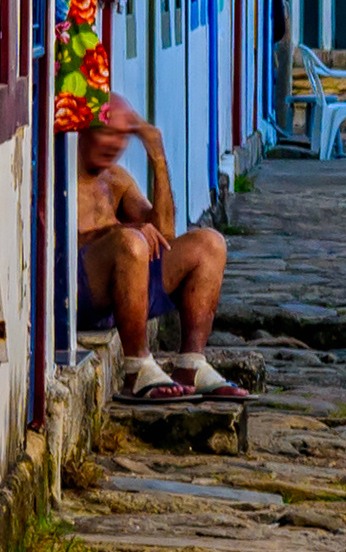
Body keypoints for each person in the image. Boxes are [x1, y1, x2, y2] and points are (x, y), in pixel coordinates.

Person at [67, 97, 232, 398]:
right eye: (106, 133)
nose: (114, 144)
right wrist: (123, 231)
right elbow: (58, 239)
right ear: (83, 130)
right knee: (130, 242)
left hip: (127, 290)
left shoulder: (116, 178)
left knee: (210, 243)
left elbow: (164, 234)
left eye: (121, 136)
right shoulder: (62, 173)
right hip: (78, 293)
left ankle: (191, 362)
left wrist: (157, 156)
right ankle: (137, 368)